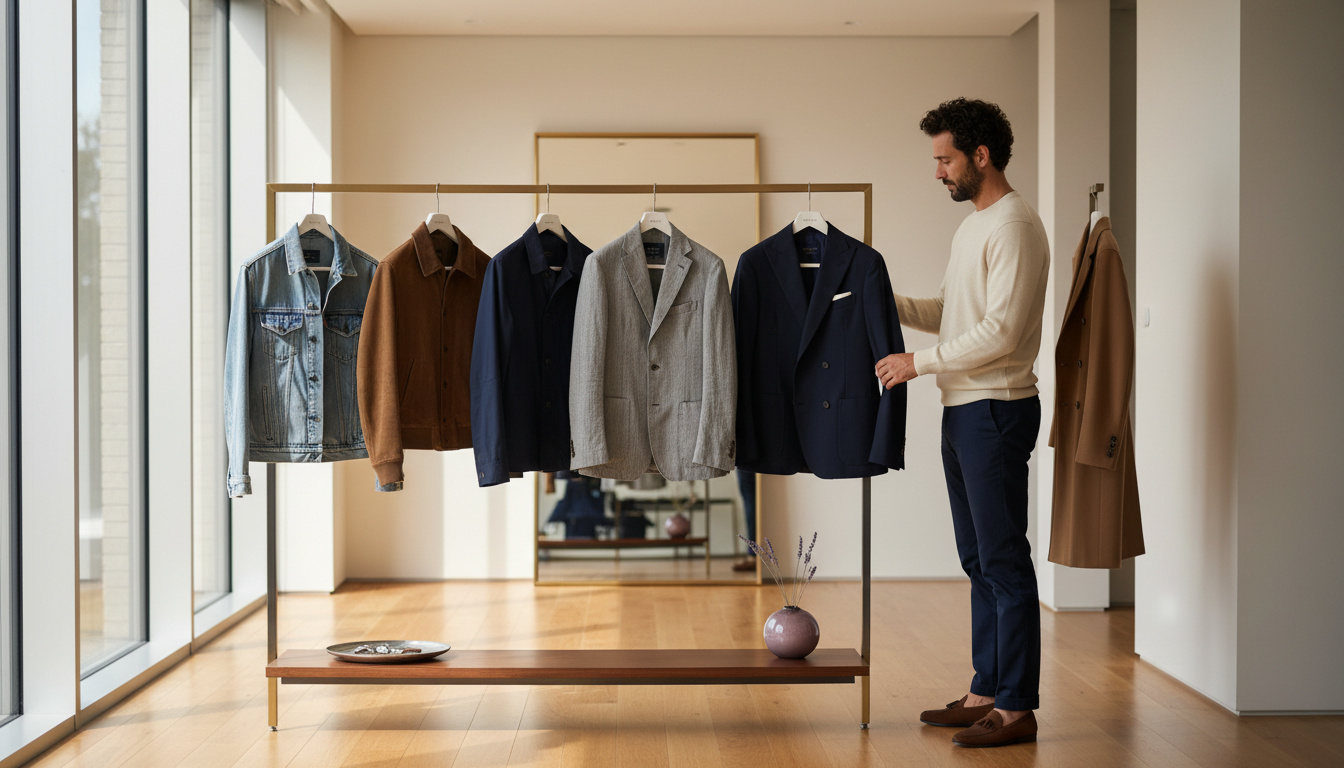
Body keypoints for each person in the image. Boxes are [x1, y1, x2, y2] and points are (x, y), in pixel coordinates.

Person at [875, 97, 1049, 748]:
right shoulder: (973, 226)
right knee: (978, 559)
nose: (938, 172)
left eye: (945, 159)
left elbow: (1000, 332)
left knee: (1004, 559)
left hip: (997, 408)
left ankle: (1017, 707)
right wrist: (879, 297)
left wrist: (916, 363)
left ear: (980, 156)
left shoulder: (1015, 226)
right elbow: (953, 309)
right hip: (963, 408)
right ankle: (986, 690)